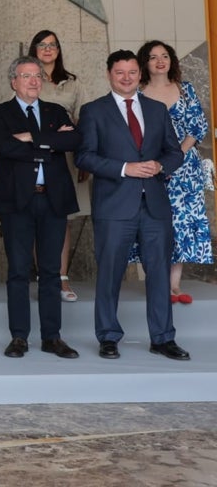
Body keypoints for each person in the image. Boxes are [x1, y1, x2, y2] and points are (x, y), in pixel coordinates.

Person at [76, 50, 188, 361]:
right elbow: (84, 157)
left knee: (159, 274)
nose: (126, 78)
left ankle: (163, 338)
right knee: (110, 273)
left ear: (140, 74)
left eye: (132, 72)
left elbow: (175, 152)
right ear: (109, 74)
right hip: (114, 206)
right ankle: (108, 337)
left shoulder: (155, 109)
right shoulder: (93, 111)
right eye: (119, 72)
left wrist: (160, 165)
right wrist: (125, 168)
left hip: (154, 205)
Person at [0, 56, 82, 360]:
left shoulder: (55, 111)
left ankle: (52, 337)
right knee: (17, 271)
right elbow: (6, 148)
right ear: (13, 81)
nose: (33, 81)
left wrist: (32, 138)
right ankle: (19, 337)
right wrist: (50, 142)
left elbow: (74, 141)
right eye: (25, 75)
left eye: (37, 75)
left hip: (52, 199)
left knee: (51, 271)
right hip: (17, 202)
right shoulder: (0, 113)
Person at [131, 41, 212, 303]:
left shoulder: (185, 90)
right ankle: (156, 284)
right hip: (150, 167)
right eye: (153, 57)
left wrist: (175, 157)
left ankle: (174, 286)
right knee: (152, 225)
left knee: (182, 226)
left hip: (185, 169)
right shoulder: (137, 93)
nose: (160, 61)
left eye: (165, 56)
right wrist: (158, 163)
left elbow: (198, 126)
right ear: (144, 63)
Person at [28, 29, 87, 303]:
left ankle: (62, 277)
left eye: (53, 44)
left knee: (60, 219)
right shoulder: (26, 79)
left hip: (64, 160)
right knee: (37, 219)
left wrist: (83, 154)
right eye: (42, 44)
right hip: (32, 160)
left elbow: (82, 122)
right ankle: (44, 277)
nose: (47, 49)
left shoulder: (72, 83)